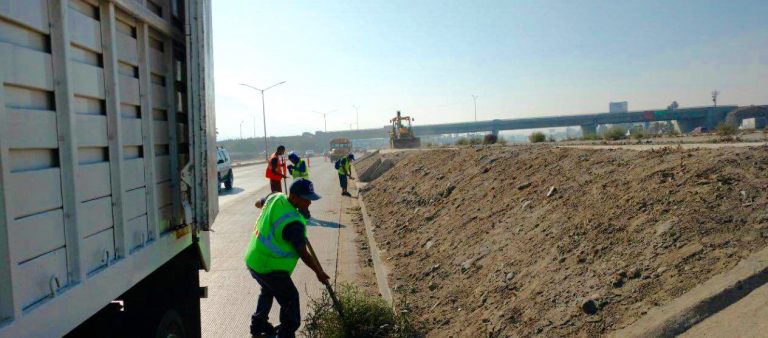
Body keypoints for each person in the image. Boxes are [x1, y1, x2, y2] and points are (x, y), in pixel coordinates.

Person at [246, 179, 330, 338]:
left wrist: (272, 212)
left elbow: (259, 203)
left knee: (267, 290)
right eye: (306, 199)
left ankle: (257, 326)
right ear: (293, 197)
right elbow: (303, 254)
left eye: (310, 199)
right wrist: (319, 272)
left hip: (254, 260)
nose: (309, 203)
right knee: (291, 301)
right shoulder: (293, 224)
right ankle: (285, 334)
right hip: (270, 267)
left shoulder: (275, 197)